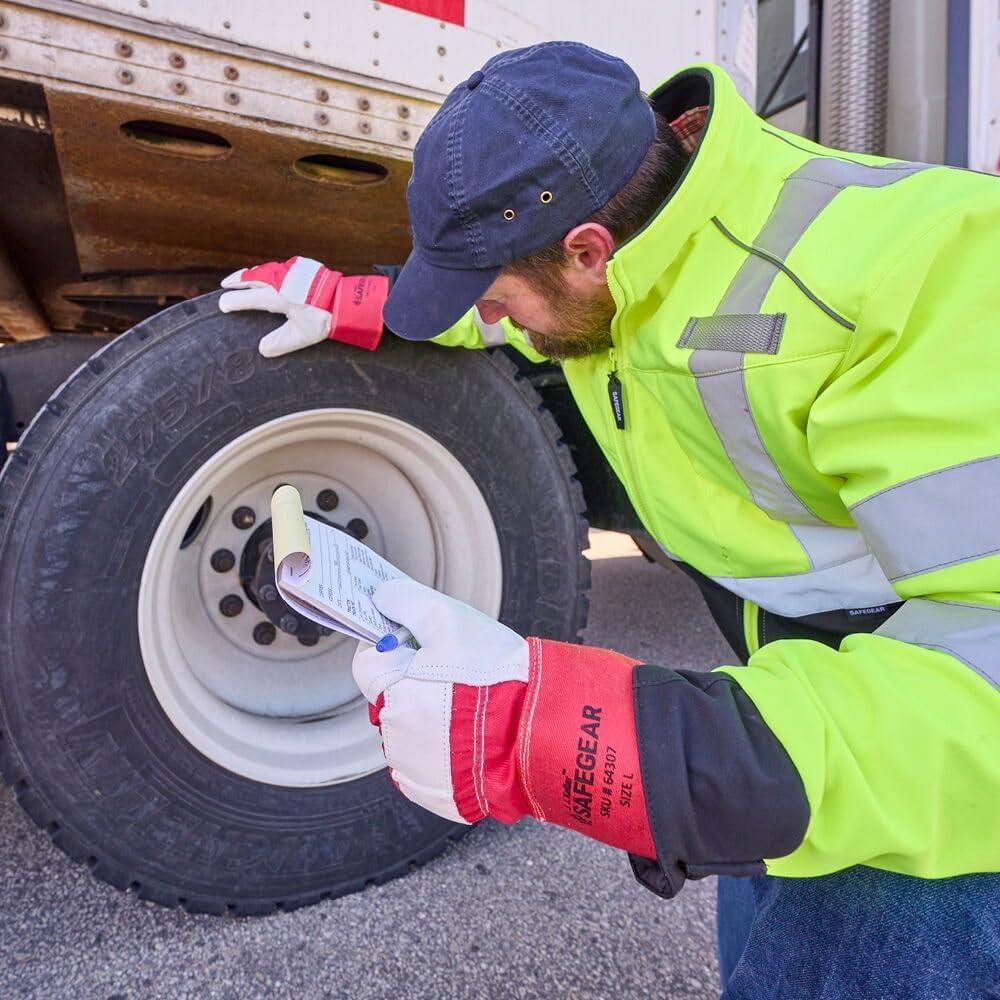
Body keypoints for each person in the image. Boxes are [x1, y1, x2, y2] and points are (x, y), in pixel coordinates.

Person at [218, 43, 1000, 998]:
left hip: (930, 776)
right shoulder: (632, 243)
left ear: (589, 249)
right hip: (793, 696)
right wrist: (364, 302)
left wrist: (620, 742)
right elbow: (551, 306)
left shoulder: (934, 264)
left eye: (498, 300)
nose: (497, 326)